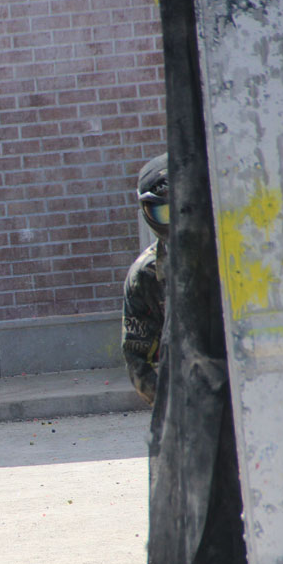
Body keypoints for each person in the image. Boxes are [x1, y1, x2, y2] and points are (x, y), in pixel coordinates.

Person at [121, 153, 168, 406]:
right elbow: (138, 360)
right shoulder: (145, 276)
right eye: (165, 212)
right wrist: (172, 408)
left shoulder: (231, 256)